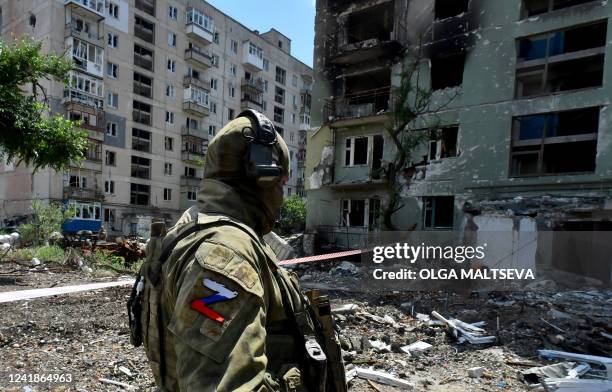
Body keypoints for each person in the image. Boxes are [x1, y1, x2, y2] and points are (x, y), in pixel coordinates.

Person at [131, 110, 330, 391]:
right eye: (281, 183)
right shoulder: (225, 253)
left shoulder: (198, 231)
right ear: (263, 176)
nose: (282, 197)